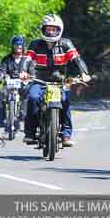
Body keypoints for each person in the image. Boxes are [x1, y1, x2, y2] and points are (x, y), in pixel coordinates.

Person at [24, 14, 91, 147]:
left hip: (61, 82)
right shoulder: (35, 44)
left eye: (54, 29)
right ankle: (30, 133)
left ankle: (66, 135)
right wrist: (23, 71)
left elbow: (77, 59)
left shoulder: (66, 44)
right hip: (38, 80)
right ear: (43, 29)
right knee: (32, 98)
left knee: (65, 102)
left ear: (59, 30)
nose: (51, 32)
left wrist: (84, 73)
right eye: (48, 29)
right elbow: (27, 59)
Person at [0, 35, 35, 129]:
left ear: (23, 46)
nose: (18, 47)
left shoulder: (27, 60)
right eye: (16, 45)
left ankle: (23, 115)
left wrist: (28, 76)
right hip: (9, 84)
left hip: (23, 84)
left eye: (20, 45)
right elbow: (1, 70)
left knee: (28, 93)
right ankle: (1, 118)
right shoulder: (6, 59)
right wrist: (0, 77)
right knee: (1, 93)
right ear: (12, 46)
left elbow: (33, 72)